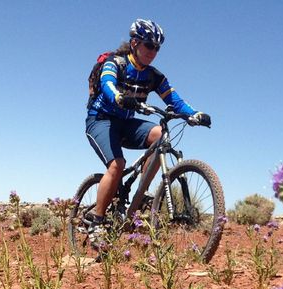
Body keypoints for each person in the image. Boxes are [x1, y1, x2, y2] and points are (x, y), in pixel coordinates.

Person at [85, 18, 210, 245]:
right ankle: (97, 221)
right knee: (117, 165)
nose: (153, 51)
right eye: (149, 45)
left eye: (157, 48)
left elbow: (174, 99)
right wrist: (119, 97)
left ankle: (139, 196)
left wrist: (194, 114)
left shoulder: (153, 76)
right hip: (101, 121)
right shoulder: (116, 63)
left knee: (159, 135)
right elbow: (107, 82)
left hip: (126, 124)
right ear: (134, 43)